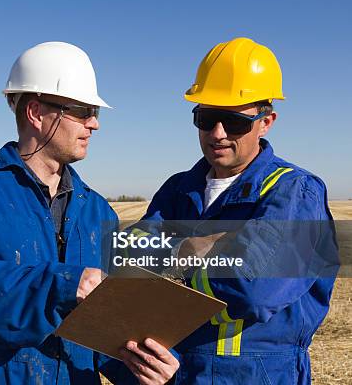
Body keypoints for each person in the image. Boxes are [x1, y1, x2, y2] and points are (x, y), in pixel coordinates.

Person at [0, 42, 179, 384]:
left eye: (96, 113)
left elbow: (107, 328)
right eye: (82, 110)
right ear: (35, 112)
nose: (94, 124)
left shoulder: (97, 210)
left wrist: (145, 367)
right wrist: (64, 285)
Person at [141, 37, 338, 384]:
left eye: (234, 122)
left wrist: (170, 261)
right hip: (177, 371)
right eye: (207, 118)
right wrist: (205, 248)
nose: (217, 134)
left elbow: (255, 288)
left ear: (266, 122)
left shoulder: (294, 191)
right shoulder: (178, 188)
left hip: (257, 374)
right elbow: (130, 258)